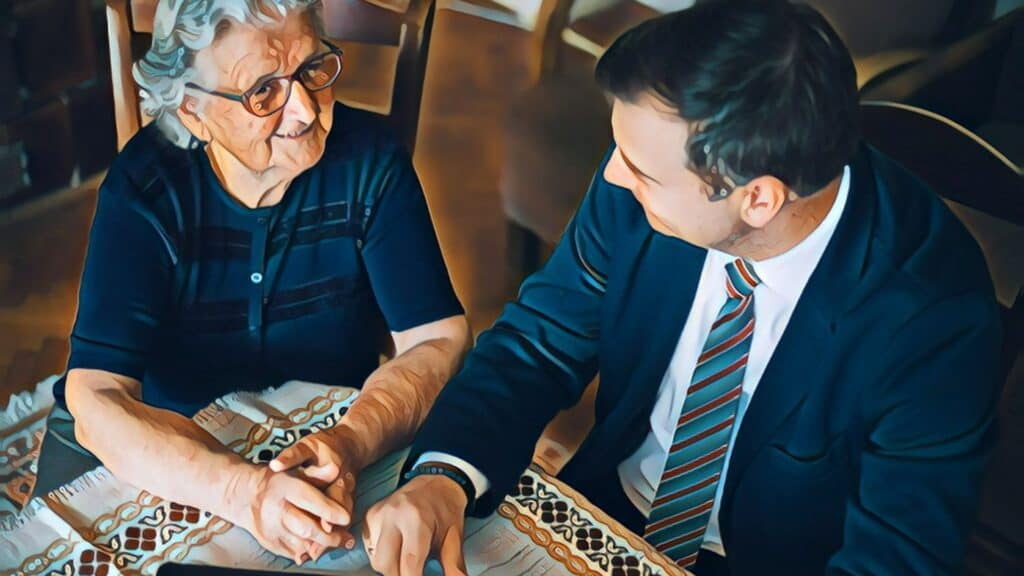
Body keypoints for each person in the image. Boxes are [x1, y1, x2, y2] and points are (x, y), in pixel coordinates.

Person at [361, 1, 1003, 574]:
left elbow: (897, 554)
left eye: (640, 170)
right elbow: (537, 344)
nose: (613, 176)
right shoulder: (638, 180)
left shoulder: (935, 320)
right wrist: (444, 475)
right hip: (604, 512)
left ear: (758, 200)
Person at [31, 0, 470, 566]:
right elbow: (95, 398)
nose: (306, 111)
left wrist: (350, 442)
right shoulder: (145, 188)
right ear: (192, 110)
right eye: (263, 91)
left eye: (313, 70)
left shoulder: (371, 163)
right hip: (170, 450)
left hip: (327, 435)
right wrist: (244, 492)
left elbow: (439, 338)